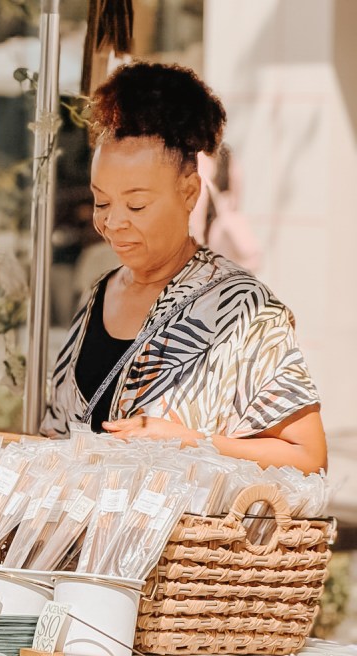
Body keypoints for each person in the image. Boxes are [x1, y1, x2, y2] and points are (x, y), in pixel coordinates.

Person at [41, 61, 326, 475]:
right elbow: (57, 434)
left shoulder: (242, 309)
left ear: (189, 192)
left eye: (136, 204)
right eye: (102, 201)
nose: (113, 222)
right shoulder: (99, 293)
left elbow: (308, 457)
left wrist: (190, 443)